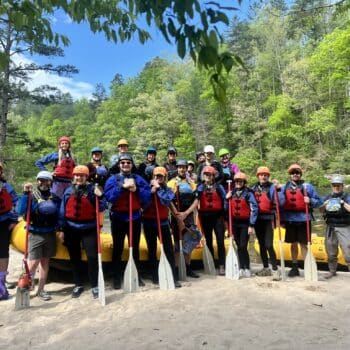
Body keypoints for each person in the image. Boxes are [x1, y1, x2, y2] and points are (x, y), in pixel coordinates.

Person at [57, 165, 107, 299]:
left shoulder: (93, 190)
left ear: (86, 177)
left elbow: (103, 207)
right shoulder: (68, 191)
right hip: (71, 228)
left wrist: (100, 195)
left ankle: (95, 285)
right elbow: (62, 211)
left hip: (89, 228)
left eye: (82, 175)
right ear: (74, 176)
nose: (79, 178)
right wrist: (61, 229)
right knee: (75, 258)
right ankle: (78, 284)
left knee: (92, 257)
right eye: (77, 175)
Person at [104, 153, 151, 289]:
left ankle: (136, 275)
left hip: (134, 218)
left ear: (132, 165)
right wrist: (122, 187)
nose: (125, 165)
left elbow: (146, 197)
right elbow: (109, 197)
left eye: (128, 163)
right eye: (123, 162)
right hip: (118, 218)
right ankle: (116, 277)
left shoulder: (138, 179)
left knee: (134, 248)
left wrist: (136, 190)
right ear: (119, 165)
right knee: (118, 248)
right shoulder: (113, 179)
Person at [16, 171, 60, 301]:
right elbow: (20, 211)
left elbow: (59, 215)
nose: (43, 183)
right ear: (37, 181)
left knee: (45, 263)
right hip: (35, 233)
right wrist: (25, 193)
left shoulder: (55, 197)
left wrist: (61, 228)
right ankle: (25, 287)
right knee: (33, 263)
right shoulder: (30, 196)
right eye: (40, 180)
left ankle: (41, 290)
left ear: (50, 182)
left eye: (46, 180)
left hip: (50, 234)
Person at [143, 167, 181, 287]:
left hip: (163, 223)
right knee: (152, 250)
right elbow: (143, 202)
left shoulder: (168, 190)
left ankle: (173, 277)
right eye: (156, 176)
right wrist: (151, 191)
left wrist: (158, 190)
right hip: (149, 223)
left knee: (168, 250)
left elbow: (166, 201)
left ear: (165, 178)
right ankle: (155, 276)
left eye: (160, 176)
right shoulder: (146, 189)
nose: (158, 178)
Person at [280, 164, 320, 277]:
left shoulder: (308, 186)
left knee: (303, 244)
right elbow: (280, 204)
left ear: (300, 174)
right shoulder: (284, 187)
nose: (295, 174)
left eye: (297, 172)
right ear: (290, 175)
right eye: (293, 172)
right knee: (293, 244)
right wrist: (282, 220)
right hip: (290, 220)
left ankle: (308, 266)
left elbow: (318, 202)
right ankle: (294, 267)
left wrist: (310, 200)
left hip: (304, 219)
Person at [167, 159, 201, 278]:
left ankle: (188, 267)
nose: (182, 169)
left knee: (189, 243)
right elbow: (169, 201)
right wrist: (177, 215)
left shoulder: (191, 183)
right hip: (176, 217)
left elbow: (196, 200)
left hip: (188, 216)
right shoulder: (171, 183)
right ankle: (176, 270)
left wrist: (186, 213)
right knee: (177, 243)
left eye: (184, 167)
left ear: (187, 169)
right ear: (177, 168)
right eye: (180, 167)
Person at [252, 166, 284, 280]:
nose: (263, 176)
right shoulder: (254, 187)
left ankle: (275, 269)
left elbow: (281, 201)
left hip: (268, 218)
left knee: (269, 245)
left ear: (268, 176)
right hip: (257, 219)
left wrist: (278, 188)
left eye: (265, 175)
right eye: (261, 174)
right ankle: (266, 268)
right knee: (261, 244)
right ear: (258, 176)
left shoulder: (272, 187)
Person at [226, 172, 258, 277]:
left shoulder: (248, 193)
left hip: (245, 223)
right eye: (237, 181)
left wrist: (251, 225)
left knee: (243, 245)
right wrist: (227, 199)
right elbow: (226, 209)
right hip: (234, 223)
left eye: (240, 181)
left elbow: (254, 209)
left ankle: (247, 267)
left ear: (244, 182)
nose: (238, 183)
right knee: (239, 246)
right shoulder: (231, 193)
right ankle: (240, 267)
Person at [196, 166, 227, 275]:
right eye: (206, 175)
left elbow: (225, 200)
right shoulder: (200, 187)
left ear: (213, 176)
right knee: (208, 241)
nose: (208, 177)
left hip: (217, 217)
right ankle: (212, 263)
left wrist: (225, 216)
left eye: (210, 175)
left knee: (220, 241)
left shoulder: (219, 187)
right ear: (203, 176)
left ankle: (222, 265)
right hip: (205, 217)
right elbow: (195, 198)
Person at [318, 175, 350, 278]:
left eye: (338, 185)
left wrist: (342, 203)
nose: (336, 187)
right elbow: (321, 210)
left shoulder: (347, 197)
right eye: (334, 185)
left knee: (348, 252)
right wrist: (324, 204)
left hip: (344, 227)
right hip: (331, 227)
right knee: (331, 251)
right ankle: (332, 271)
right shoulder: (327, 197)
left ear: (342, 186)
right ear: (332, 186)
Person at [0, 162, 18, 301]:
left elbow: (14, 203)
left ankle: (2, 282)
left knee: (3, 253)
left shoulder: (6, 187)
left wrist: (13, 220)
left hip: (4, 222)